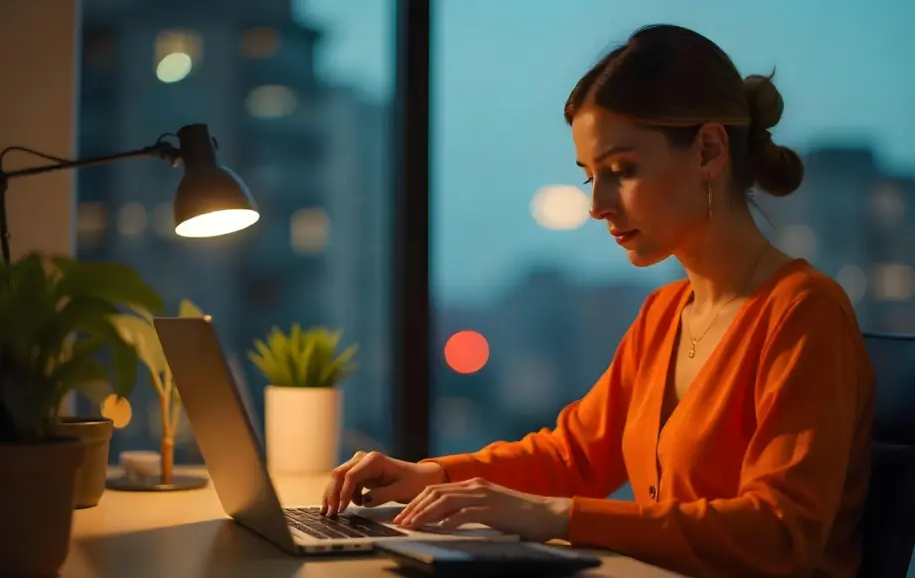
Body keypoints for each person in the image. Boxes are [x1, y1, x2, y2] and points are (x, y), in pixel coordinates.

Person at [323, 23, 875, 578]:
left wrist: (557, 517)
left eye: (623, 171)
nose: (598, 205)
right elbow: (576, 456)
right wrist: (432, 476)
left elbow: (779, 533)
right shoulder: (665, 313)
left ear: (709, 150)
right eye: (591, 177)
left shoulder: (804, 313)